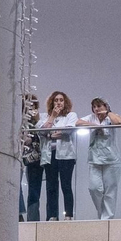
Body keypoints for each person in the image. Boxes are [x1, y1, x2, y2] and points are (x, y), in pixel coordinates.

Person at [40, 91, 79, 221]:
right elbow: (41, 131)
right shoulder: (46, 116)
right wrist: (52, 118)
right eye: (56, 100)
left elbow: (69, 129)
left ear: (65, 102)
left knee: (65, 185)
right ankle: (52, 215)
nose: (58, 102)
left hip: (66, 156)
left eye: (61, 100)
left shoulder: (71, 115)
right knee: (51, 186)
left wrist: (50, 134)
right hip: (50, 154)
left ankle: (68, 215)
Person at [83, 97, 121, 220]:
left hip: (111, 160)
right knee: (94, 188)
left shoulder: (111, 117)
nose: (96, 109)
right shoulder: (91, 118)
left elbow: (119, 122)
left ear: (105, 106)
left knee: (110, 191)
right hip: (94, 160)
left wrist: (108, 112)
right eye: (94, 107)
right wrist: (94, 126)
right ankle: (102, 214)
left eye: (99, 106)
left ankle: (107, 219)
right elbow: (77, 122)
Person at [20, 93, 44, 221]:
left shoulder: (40, 120)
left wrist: (37, 119)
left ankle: (33, 219)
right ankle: (18, 215)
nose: (30, 108)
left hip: (35, 158)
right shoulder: (18, 120)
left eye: (33, 105)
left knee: (34, 191)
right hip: (18, 157)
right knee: (16, 186)